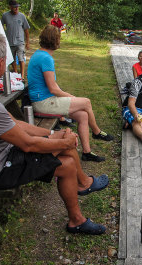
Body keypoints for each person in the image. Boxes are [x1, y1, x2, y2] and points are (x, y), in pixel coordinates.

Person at [0, 31, 109, 235]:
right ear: (1, 64)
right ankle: (78, 213)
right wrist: (63, 142)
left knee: (66, 154)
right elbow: (28, 144)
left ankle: (81, 195)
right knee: (68, 161)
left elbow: (16, 124)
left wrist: (53, 136)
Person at [27, 25, 113, 162]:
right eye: (59, 38)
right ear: (55, 40)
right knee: (86, 102)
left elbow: (53, 87)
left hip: (45, 100)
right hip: (43, 103)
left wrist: (70, 98)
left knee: (83, 115)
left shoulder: (40, 54)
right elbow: (53, 89)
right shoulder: (45, 58)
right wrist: (72, 98)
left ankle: (87, 152)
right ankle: (97, 132)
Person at [1, 0, 29, 80]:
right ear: (10, 7)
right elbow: (1, 26)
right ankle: (16, 72)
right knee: (12, 58)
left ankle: (22, 75)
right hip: (10, 41)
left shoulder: (22, 16)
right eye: (14, 7)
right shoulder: (5, 16)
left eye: (17, 7)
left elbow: (26, 30)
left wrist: (27, 42)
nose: (16, 8)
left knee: (21, 58)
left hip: (20, 41)